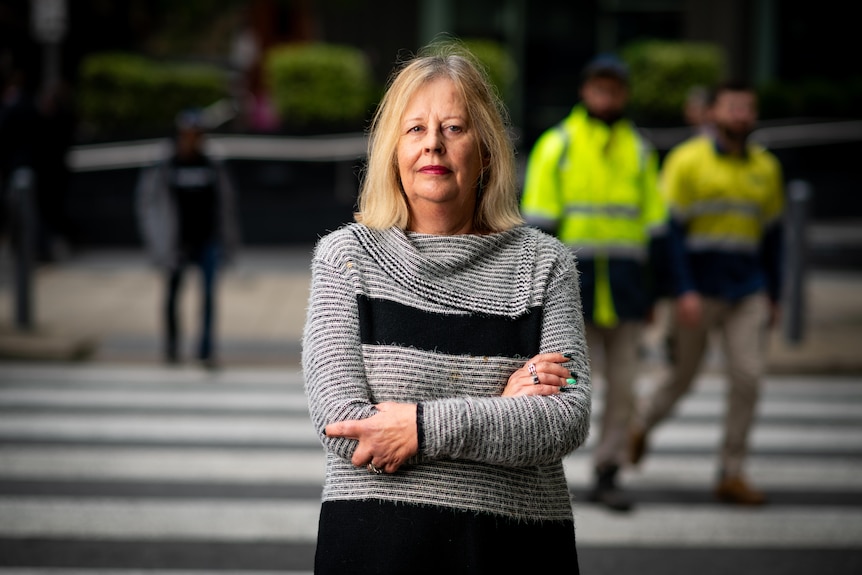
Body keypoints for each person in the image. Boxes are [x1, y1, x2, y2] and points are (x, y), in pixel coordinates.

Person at [301, 43, 592, 574]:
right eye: (415, 130)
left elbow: (566, 412)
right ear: (393, 149)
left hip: (513, 551)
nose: (432, 144)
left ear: (485, 151)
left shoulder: (545, 265)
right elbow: (341, 423)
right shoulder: (346, 259)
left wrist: (421, 428)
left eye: (454, 128)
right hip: (376, 550)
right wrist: (502, 409)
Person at [520, 53, 667, 512]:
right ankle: (543, 470)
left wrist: (654, 293)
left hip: (625, 291)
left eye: (614, 88)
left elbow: (656, 229)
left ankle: (608, 470)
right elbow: (537, 231)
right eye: (599, 87)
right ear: (585, 92)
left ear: (623, 94)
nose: (607, 96)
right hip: (570, 294)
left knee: (623, 388)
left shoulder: (639, 149)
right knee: (561, 388)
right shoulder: (558, 144)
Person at [629, 80, 784, 506]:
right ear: (713, 112)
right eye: (733, 106)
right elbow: (671, 234)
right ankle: (638, 425)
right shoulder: (686, 161)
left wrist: (775, 293)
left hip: (748, 289)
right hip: (696, 292)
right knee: (681, 376)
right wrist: (682, 289)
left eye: (748, 107)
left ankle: (731, 472)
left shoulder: (766, 169)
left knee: (748, 378)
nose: (741, 114)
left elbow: (773, 236)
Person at [135, 108, 240, 368]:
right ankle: (171, 347)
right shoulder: (165, 164)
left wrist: (228, 241)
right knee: (172, 294)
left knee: (208, 297)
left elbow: (226, 204)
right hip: (176, 241)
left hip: (207, 239)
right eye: (188, 134)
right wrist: (158, 242)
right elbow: (148, 204)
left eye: (197, 134)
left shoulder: (212, 163)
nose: (193, 140)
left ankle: (205, 350)